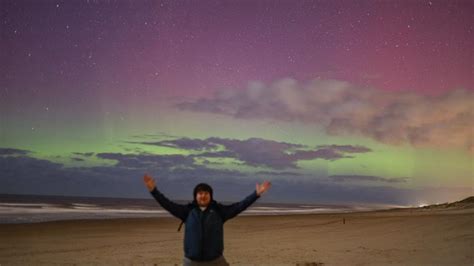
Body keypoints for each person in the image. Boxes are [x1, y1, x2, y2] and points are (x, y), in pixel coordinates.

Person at [143, 173, 271, 265]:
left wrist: (256, 194)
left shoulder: (219, 211)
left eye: (206, 193)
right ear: (195, 196)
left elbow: (239, 206)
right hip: (191, 262)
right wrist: (154, 191)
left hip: (216, 261)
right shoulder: (187, 211)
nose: (203, 196)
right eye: (200, 193)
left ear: (210, 195)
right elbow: (167, 204)